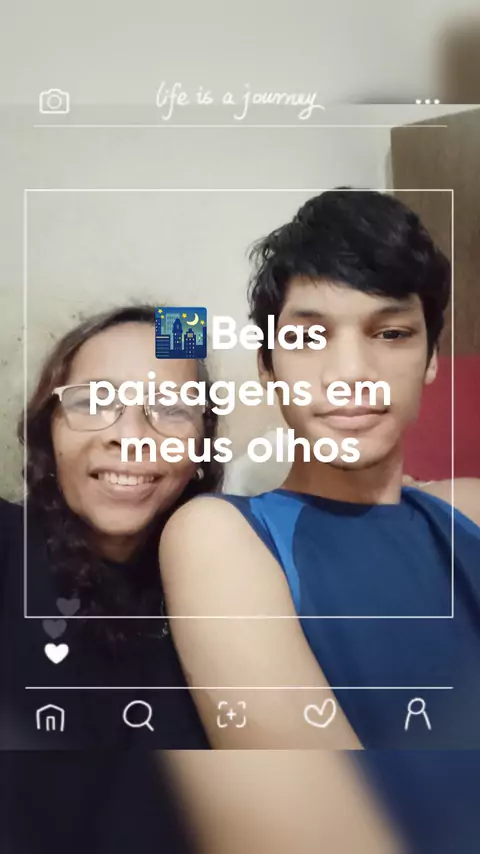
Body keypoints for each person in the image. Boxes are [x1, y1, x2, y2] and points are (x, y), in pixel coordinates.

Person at [160, 191, 480, 852]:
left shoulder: (467, 509)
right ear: (268, 367)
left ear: (431, 358)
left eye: (391, 334)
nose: (351, 374)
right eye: (308, 337)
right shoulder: (224, 536)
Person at [0, 304, 222, 853]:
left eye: (171, 409)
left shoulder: (223, 585)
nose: (131, 436)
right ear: (48, 430)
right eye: (94, 402)